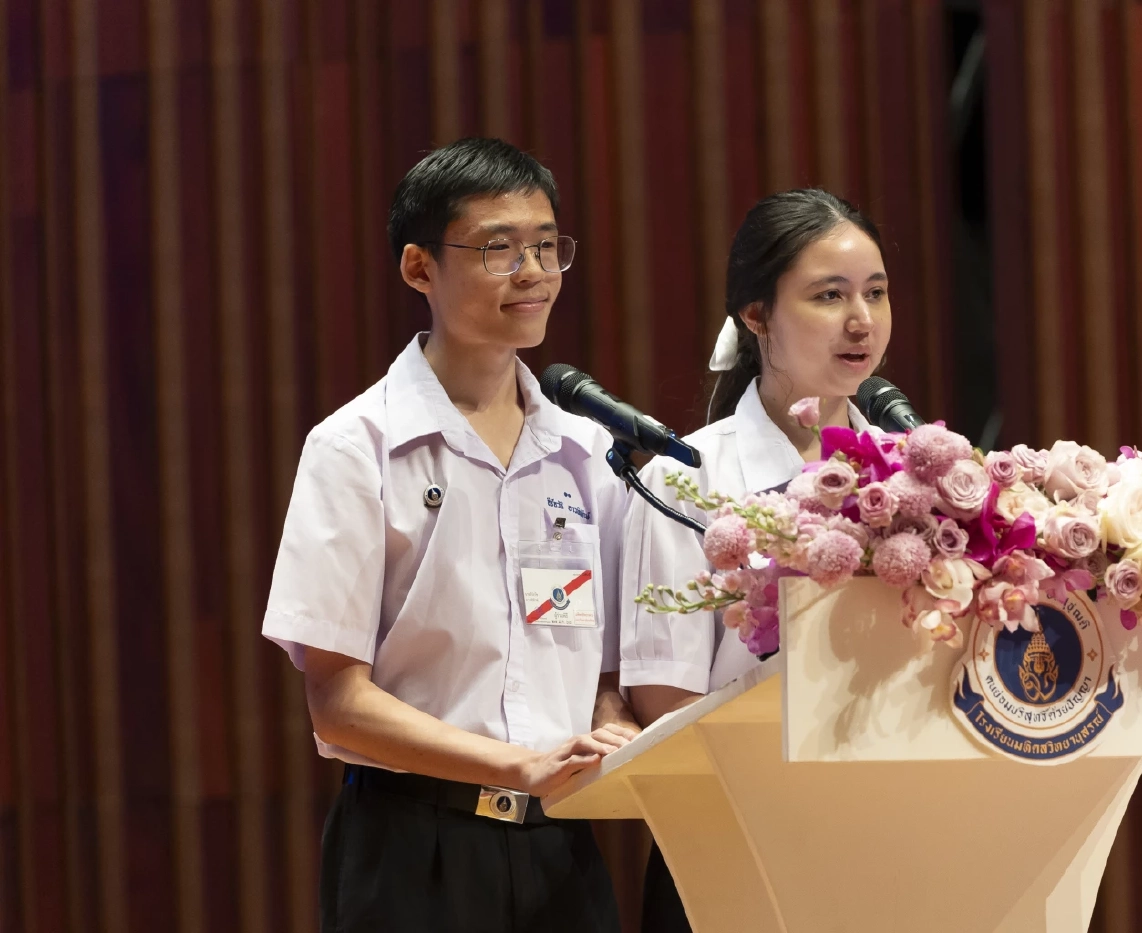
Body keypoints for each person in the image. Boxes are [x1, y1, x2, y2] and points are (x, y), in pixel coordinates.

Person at [262, 137, 640, 933]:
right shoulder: (355, 445)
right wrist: (517, 765)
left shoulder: (587, 453)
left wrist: (613, 726)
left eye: (546, 245)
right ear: (419, 268)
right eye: (498, 248)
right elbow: (336, 702)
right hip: (410, 846)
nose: (532, 270)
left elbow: (605, 667)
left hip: (561, 848)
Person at [618, 189, 892, 931]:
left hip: (894, 848)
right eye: (828, 296)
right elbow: (659, 699)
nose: (861, 319)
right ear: (757, 315)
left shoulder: (914, 478)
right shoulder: (687, 475)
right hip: (735, 851)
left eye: (874, 292)